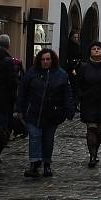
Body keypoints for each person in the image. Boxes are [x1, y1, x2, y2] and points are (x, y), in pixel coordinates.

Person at [16, 49, 75, 178]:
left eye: (48, 59)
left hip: (52, 113)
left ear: (52, 60)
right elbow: (23, 92)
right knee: (34, 136)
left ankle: (46, 163)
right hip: (33, 112)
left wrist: (69, 110)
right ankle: (34, 163)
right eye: (43, 59)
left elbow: (67, 94)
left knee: (48, 139)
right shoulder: (32, 73)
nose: (45, 62)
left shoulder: (61, 75)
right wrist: (20, 109)